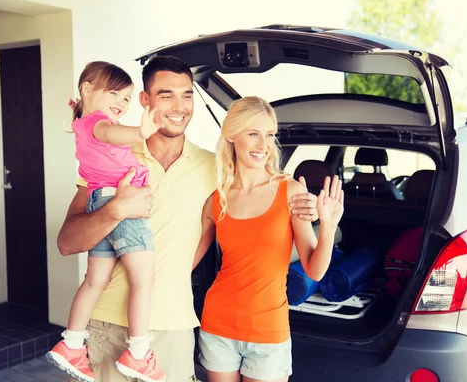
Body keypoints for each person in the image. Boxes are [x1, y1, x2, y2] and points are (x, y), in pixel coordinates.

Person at [55, 56, 320, 382]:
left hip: (174, 327)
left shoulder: (215, 170)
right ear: (145, 101)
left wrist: (304, 204)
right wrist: (115, 210)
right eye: (166, 95)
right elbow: (66, 243)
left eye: (187, 95)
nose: (179, 106)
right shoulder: (112, 157)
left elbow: (260, 184)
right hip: (106, 323)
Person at [193, 96, 344, 382]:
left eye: (269, 135)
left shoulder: (290, 191)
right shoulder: (216, 199)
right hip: (217, 325)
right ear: (232, 135)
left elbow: (314, 270)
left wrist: (328, 226)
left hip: (267, 332)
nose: (263, 145)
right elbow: (188, 260)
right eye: (253, 133)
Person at [47, 61, 167, 382]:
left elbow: (76, 124)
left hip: (98, 199)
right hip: (122, 202)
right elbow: (111, 132)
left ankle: (72, 343)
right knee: (142, 279)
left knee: (93, 281)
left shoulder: (81, 122)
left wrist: (79, 107)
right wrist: (140, 131)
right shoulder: (99, 123)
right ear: (87, 89)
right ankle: (140, 353)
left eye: (126, 98)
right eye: (114, 93)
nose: (122, 103)